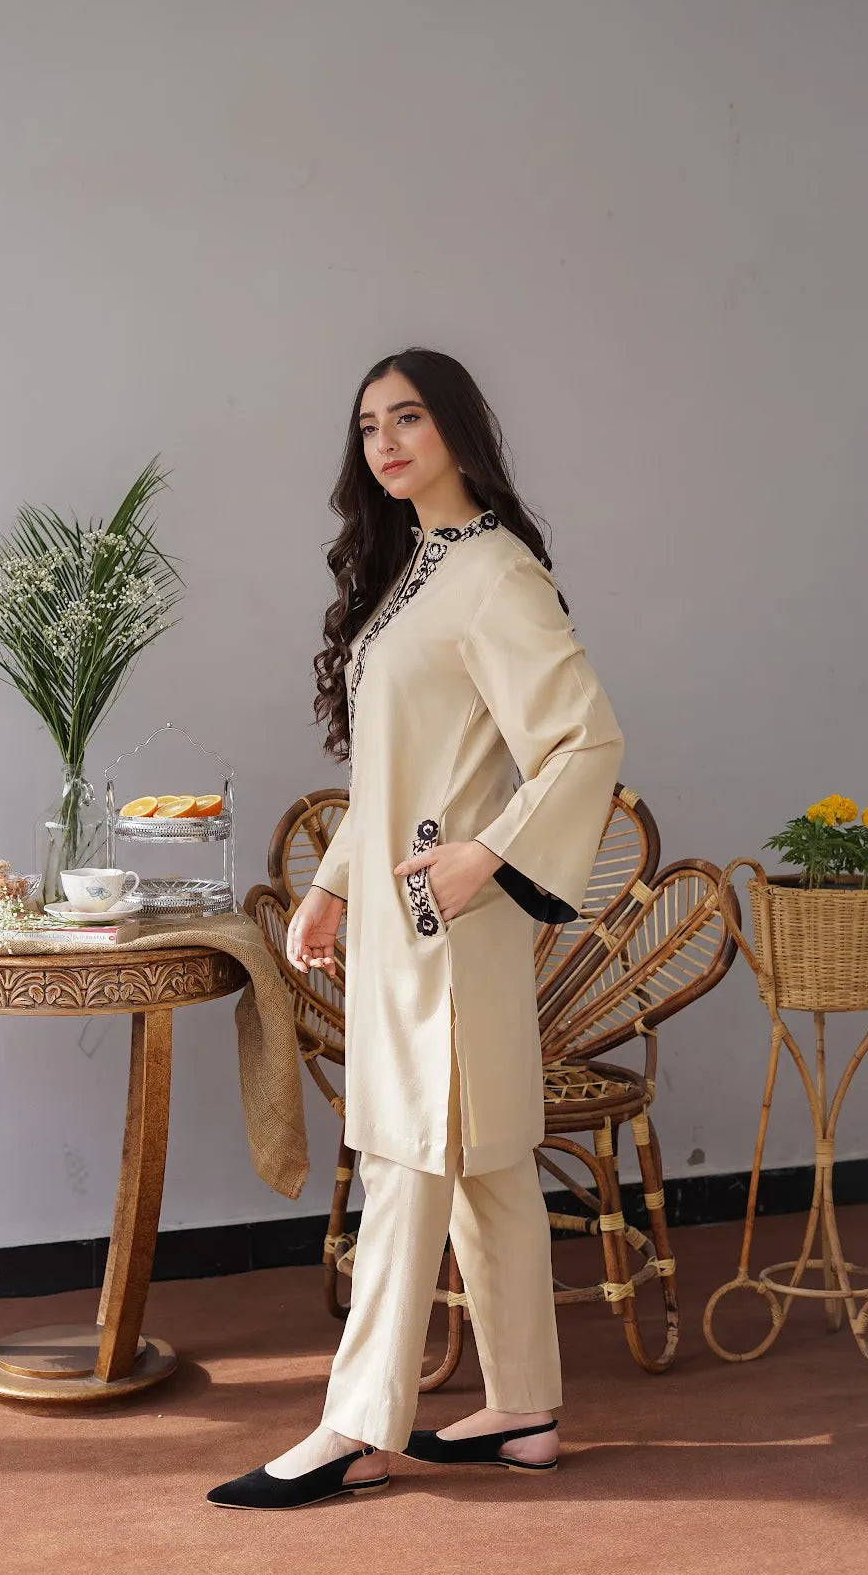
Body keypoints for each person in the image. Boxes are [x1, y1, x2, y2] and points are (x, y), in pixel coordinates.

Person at [207, 347, 625, 1510]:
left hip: (455, 924)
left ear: (457, 430)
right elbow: (402, 772)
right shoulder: (416, 575)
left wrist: (485, 857)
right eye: (369, 426)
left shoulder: (495, 574)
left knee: (405, 1156)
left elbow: (584, 741)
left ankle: (358, 1427)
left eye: (409, 418)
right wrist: (338, 882)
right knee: (486, 1158)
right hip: (407, 915)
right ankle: (526, 1409)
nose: (386, 442)